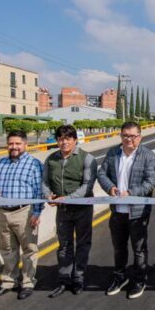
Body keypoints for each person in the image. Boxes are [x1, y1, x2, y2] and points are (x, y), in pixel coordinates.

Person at [97, 121, 155, 299]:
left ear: (140, 137)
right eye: (125, 136)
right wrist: (110, 188)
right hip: (117, 212)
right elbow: (102, 174)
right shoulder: (113, 153)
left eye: (133, 136)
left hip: (138, 212)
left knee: (139, 249)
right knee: (119, 248)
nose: (129, 139)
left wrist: (131, 193)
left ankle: (139, 280)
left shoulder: (148, 156)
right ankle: (120, 277)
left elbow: (149, 183)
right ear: (121, 136)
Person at [0, 130, 44, 300]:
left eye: (18, 143)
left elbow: (39, 191)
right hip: (3, 213)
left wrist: (37, 212)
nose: (14, 147)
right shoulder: (0, 163)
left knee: (29, 250)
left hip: (24, 212)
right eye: (11, 143)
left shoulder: (34, 164)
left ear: (26, 145)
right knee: (7, 249)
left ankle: (27, 282)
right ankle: (8, 281)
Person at [42, 124, 98, 297]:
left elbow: (86, 187)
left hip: (82, 209)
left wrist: (67, 198)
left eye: (67, 138)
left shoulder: (87, 159)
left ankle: (78, 278)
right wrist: (48, 196)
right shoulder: (51, 160)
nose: (63, 142)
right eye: (60, 138)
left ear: (75, 140)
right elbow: (44, 182)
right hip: (62, 210)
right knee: (64, 246)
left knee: (82, 244)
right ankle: (64, 279)